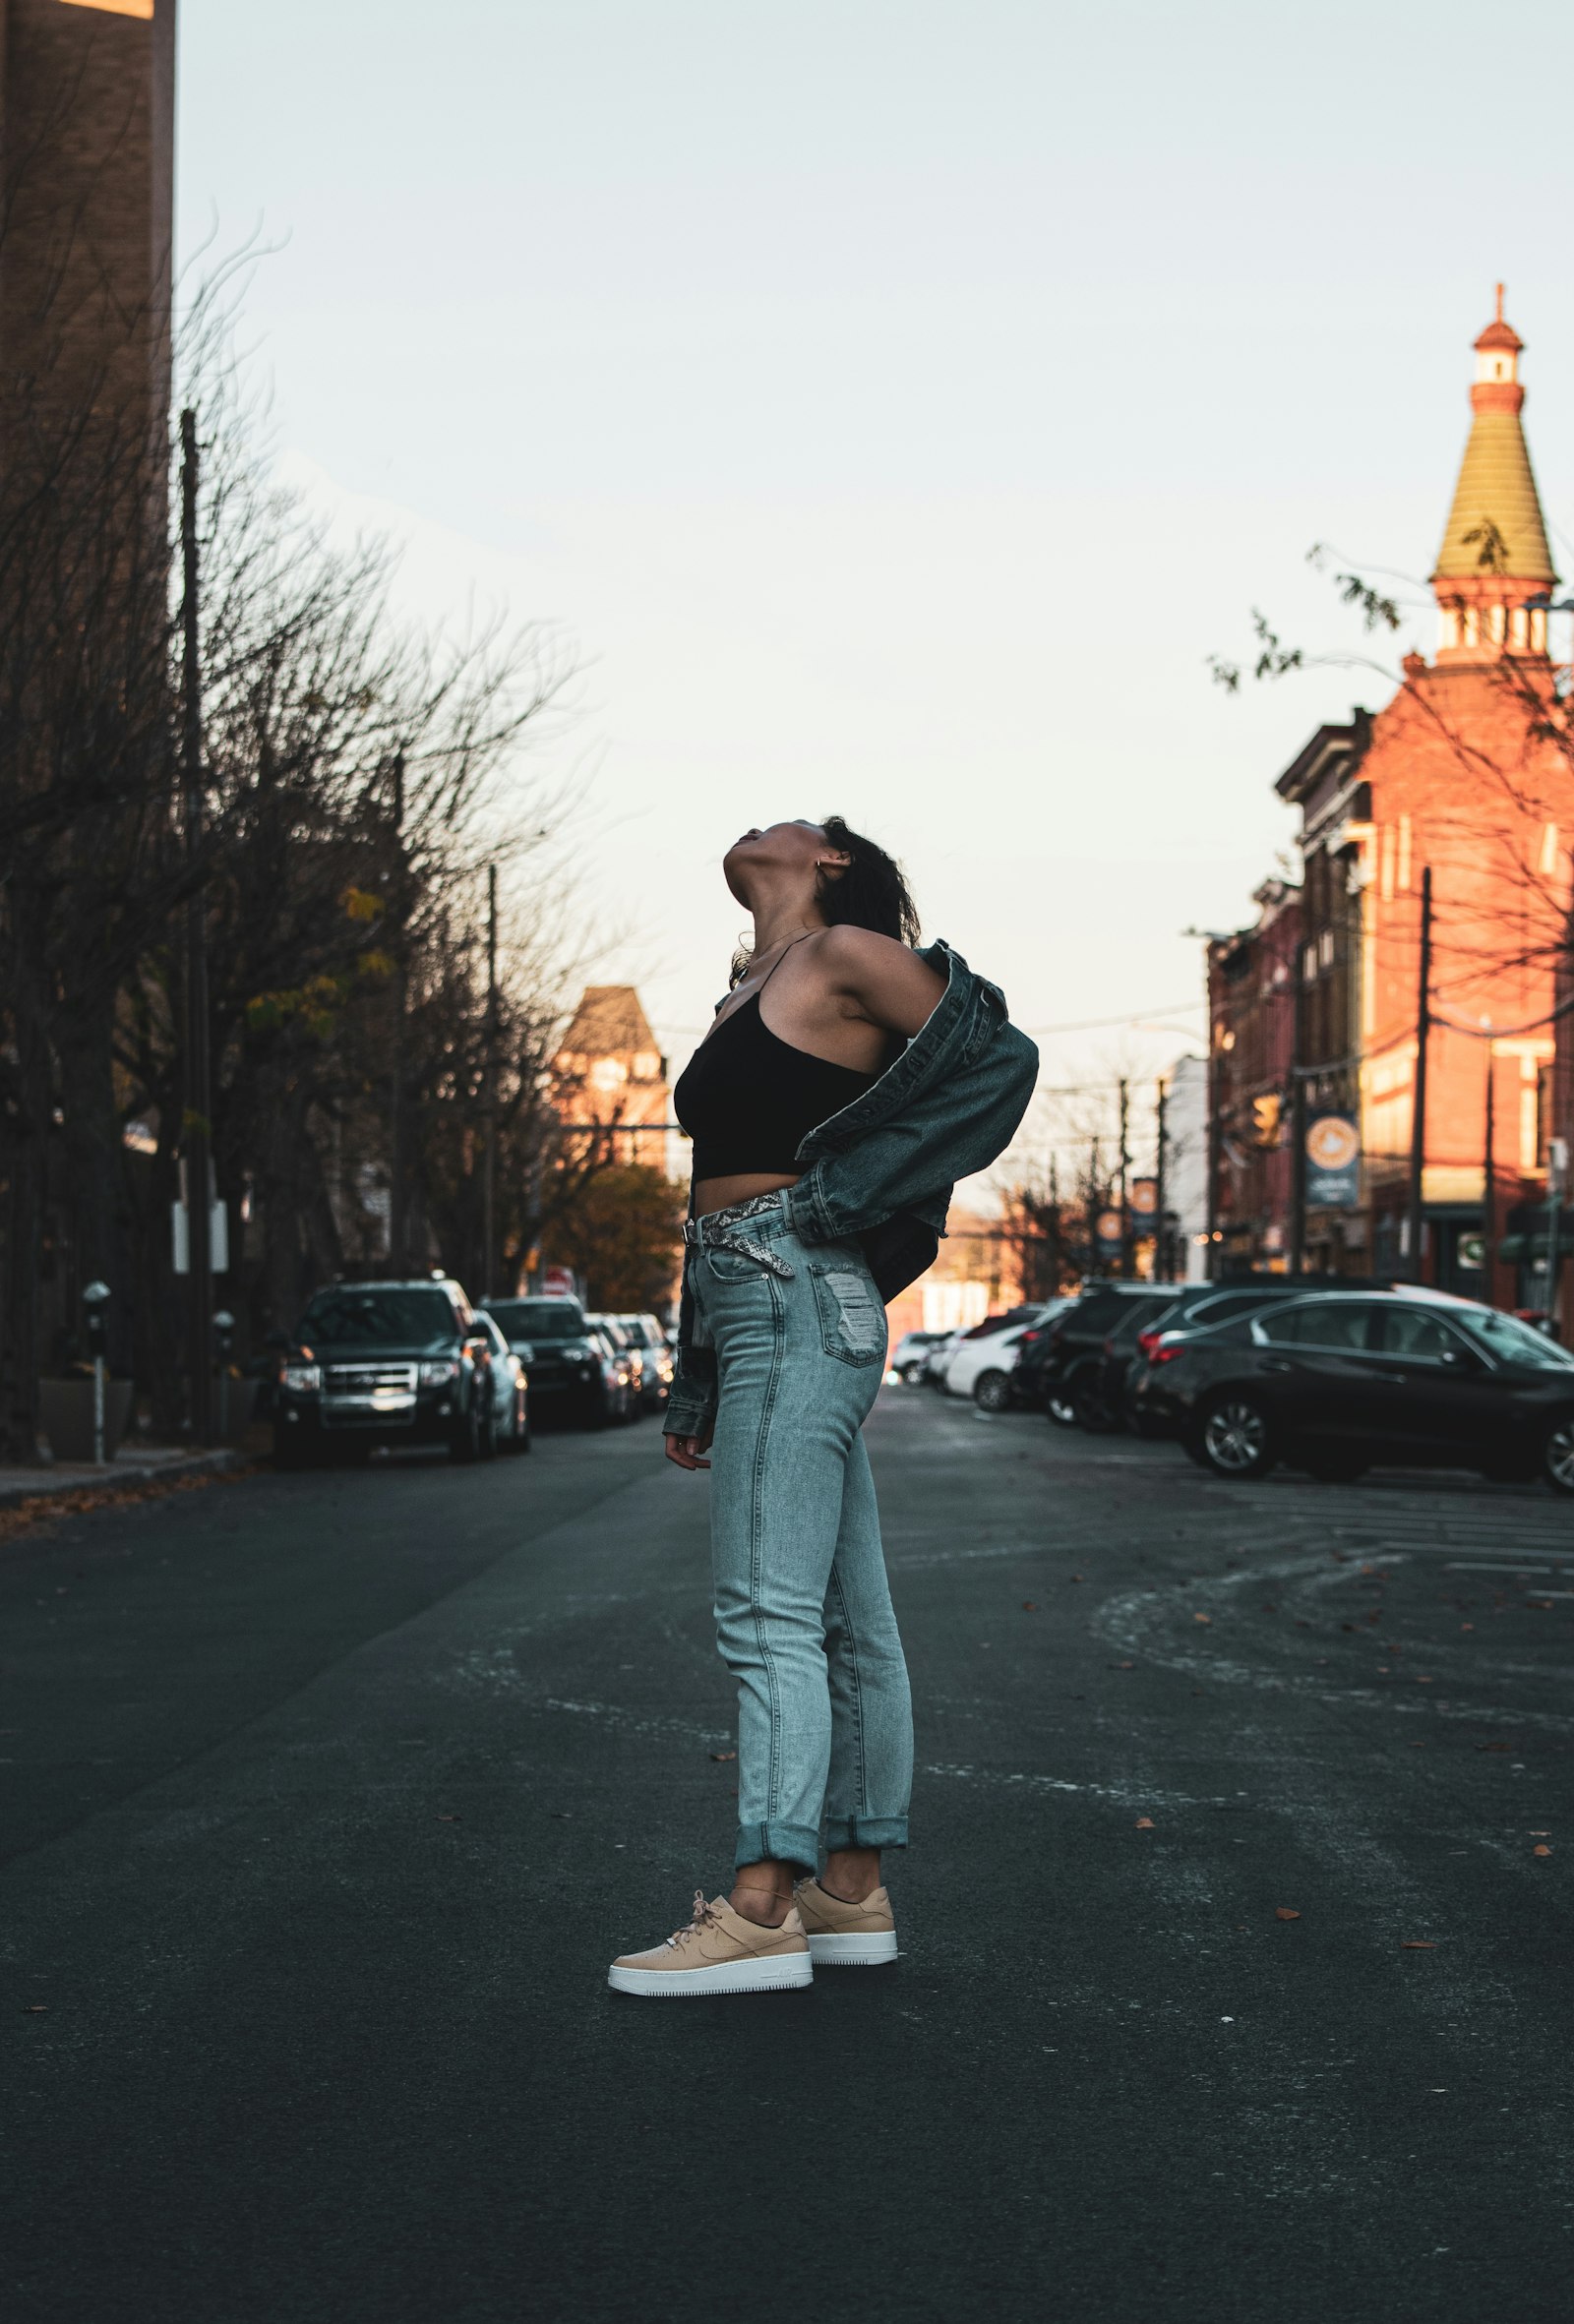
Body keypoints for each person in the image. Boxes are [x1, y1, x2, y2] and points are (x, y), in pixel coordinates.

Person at [607, 818, 1038, 1996]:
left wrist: (840, 1195)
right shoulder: (747, 986)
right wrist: (697, 1370)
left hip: (798, 1298)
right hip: (760, 1306)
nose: (761, 821)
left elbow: (1000, 1059)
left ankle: (756, 1908)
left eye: (796, 817)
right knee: (845, 1620)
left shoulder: (845, 952)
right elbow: (711, 1191)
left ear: (832, 861)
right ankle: (847, 1892)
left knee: (765, 1612)